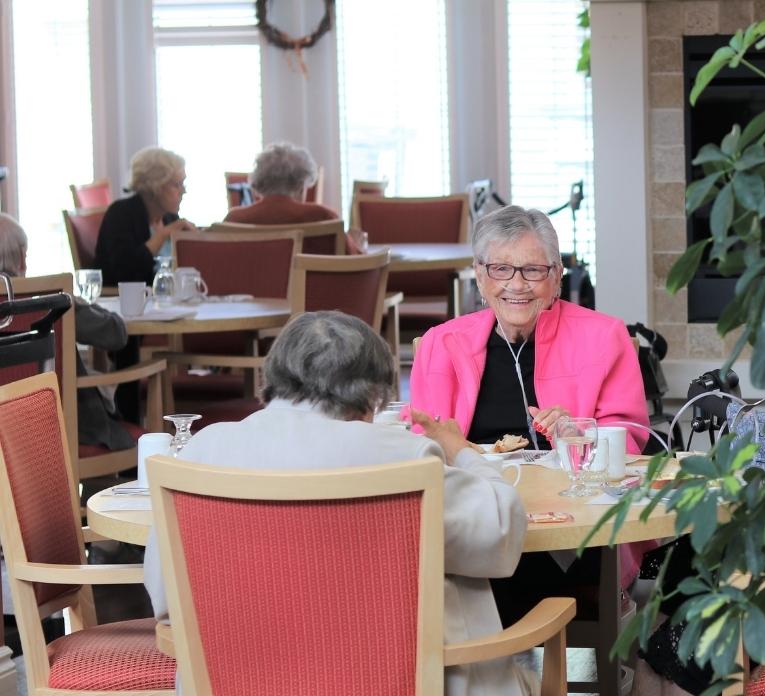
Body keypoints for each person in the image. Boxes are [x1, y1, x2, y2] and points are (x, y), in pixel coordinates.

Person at [143, 311, 534, 695]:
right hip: (399, 683)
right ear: (373, 394)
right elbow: (500, 534)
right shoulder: (403, 456)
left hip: (239, 683)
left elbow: (164, 599)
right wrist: (464, 453)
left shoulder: (202, 449)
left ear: (273, 377)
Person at [409, 205, 650, 624]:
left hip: (572, 525)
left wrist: (580, 435)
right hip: (477, 517)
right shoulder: (440, 344)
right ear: (480, 276)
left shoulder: (603, 336)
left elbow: (629, 440)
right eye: (501, 269)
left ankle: (495, 663)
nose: (517, 285)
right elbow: (419, 447)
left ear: (556, 276)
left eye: (533, 270)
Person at [0, 213, 135, 452]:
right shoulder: (48, 301)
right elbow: (116, 334)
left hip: (8, 435)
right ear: (21, 257)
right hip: (65, 430)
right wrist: (80, 302)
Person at [95, 146, 197, 285]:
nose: (183, 191)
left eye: (183, 183)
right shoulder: (120, 214)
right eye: (176, 184)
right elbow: (125, 271)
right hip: (125, 302)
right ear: (154, 186)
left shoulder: (169, 218)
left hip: (163, 302)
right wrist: (163, 234)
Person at [223, 143, 339, 226]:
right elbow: (348, 258)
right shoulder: (323, 217)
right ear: (300, 185)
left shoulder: (235, 219)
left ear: (258, 184)